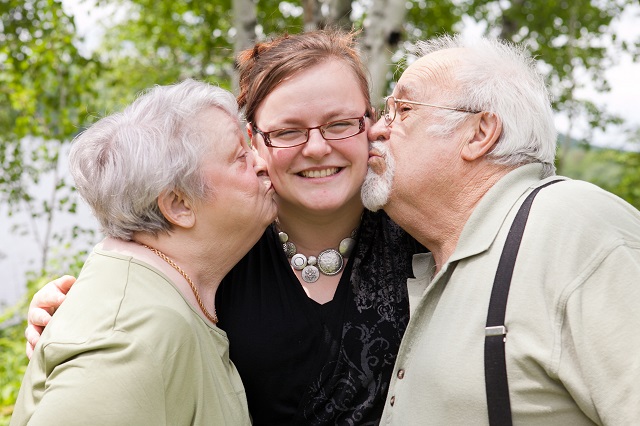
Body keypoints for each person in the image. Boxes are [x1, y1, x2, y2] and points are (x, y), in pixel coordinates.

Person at [23, 30, 423, 425]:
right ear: (253, 141)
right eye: (288, 131)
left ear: (370, 122)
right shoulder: (216, 243)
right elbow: (132, 297)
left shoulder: (422, 228)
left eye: (339, 124)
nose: (317, 147)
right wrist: (68, 315)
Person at [361, 34, 640, 424]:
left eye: (403, 109)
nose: (375, 130)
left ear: (479, 133)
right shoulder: (438, 256)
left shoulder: (575, 226)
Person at [12, 79, 277, 425]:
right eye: (240, 156)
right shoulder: (129, 340)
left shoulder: (166, 296)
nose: (262, 161)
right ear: (178, 205)